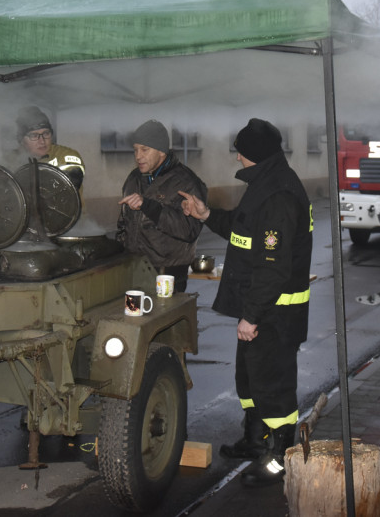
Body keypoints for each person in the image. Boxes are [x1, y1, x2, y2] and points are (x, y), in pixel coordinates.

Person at [179, 118, 312, 488]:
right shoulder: (265, 185)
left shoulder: (279, 196)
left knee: (273, 386)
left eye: (241, 150)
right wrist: (206, 215)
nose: (237, 156)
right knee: (250, 380)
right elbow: (242, 229)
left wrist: (251, 317)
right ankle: (255, 441)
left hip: (274, 313)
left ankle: (282, 459)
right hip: (264, 309)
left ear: (253, 154)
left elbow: (274, 267)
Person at [117, 120, 207, 293]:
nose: (138, 156)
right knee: (133, 318)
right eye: (135, 150)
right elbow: (123, 222)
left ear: (161, 151)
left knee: (163, 318)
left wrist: (150, 207)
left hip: (167, 274)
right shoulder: (133, 178)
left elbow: (189, 230)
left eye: (144, 149)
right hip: (133, 269)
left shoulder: (186, 182)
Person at [15, 106, 85, 188]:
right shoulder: (11, 160)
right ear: (22, 141)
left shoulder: (66, 156)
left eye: (46, 133)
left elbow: (68, 186)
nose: (42, 141)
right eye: (34, 135)